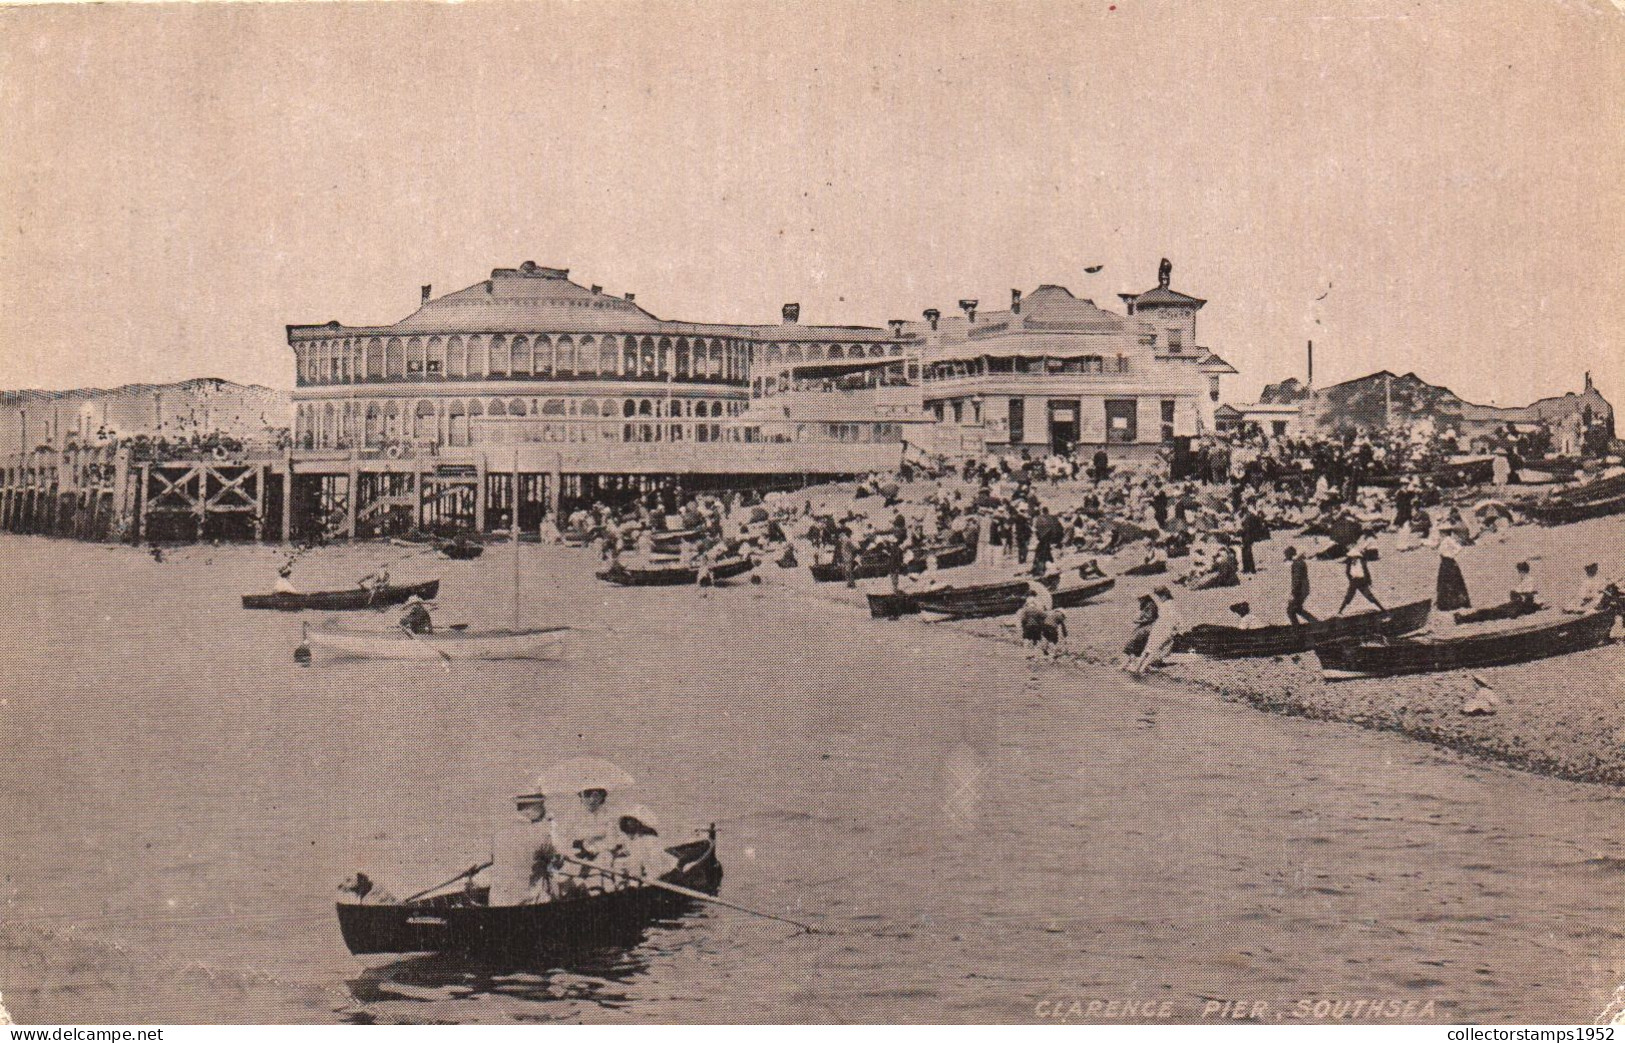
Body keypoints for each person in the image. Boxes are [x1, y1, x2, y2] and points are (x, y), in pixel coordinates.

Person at [485, 785, 560, 906]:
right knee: (552, 881)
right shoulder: (541, 836)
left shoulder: (499, 835)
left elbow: (494, 859)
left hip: (497, 904)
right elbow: (556, 863)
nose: (544, 810)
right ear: (533, 808)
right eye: (542, 806)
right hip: (528, 905)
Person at [553, 787, 617, 894]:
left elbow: (612, 841)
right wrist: (576, 845)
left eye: (596, 795)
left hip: (600, 857)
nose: (592, 799)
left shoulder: (609, 816)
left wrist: (595, 849)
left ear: (602, 797)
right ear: (581, 796)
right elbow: (562, 838)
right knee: (565, 881)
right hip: (577, 857)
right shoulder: (572, 815)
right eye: (587, 795)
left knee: (599, 880)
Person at [611, 806, 676, 882]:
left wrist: (652, 876)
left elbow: (654, 858)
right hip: (640, 868)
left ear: (639, 823)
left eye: (632, 821)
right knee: (619, 862)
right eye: (627, 820)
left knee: (637, 860)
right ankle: (621, 885)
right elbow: (626, 851)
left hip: (659, 870)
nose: (629, 823)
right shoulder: (629, 840)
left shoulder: (650, 839)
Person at [1434, 532, 1471, 612]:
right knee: (1446, 583)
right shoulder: (1443, 540)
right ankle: (1447, 604)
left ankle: (1454, 604)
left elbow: (1459, 548)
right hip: (1444, 563)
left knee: (1451, 582)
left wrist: (1450, 554)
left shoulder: (1449, 540)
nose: (1440, 533)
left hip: (1449, 563)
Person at [1123, 594, 1159, 659]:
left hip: (1148, 627)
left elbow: (1149, 618)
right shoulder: (1145, 605)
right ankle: (1132, 660)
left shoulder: (1151, 605)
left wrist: (1137, 621)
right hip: (1144, 626)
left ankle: (1134, 661)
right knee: (1134, 643)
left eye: (1140, 599)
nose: (1139, 600)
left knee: (1135, 642)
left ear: (1145, 598)